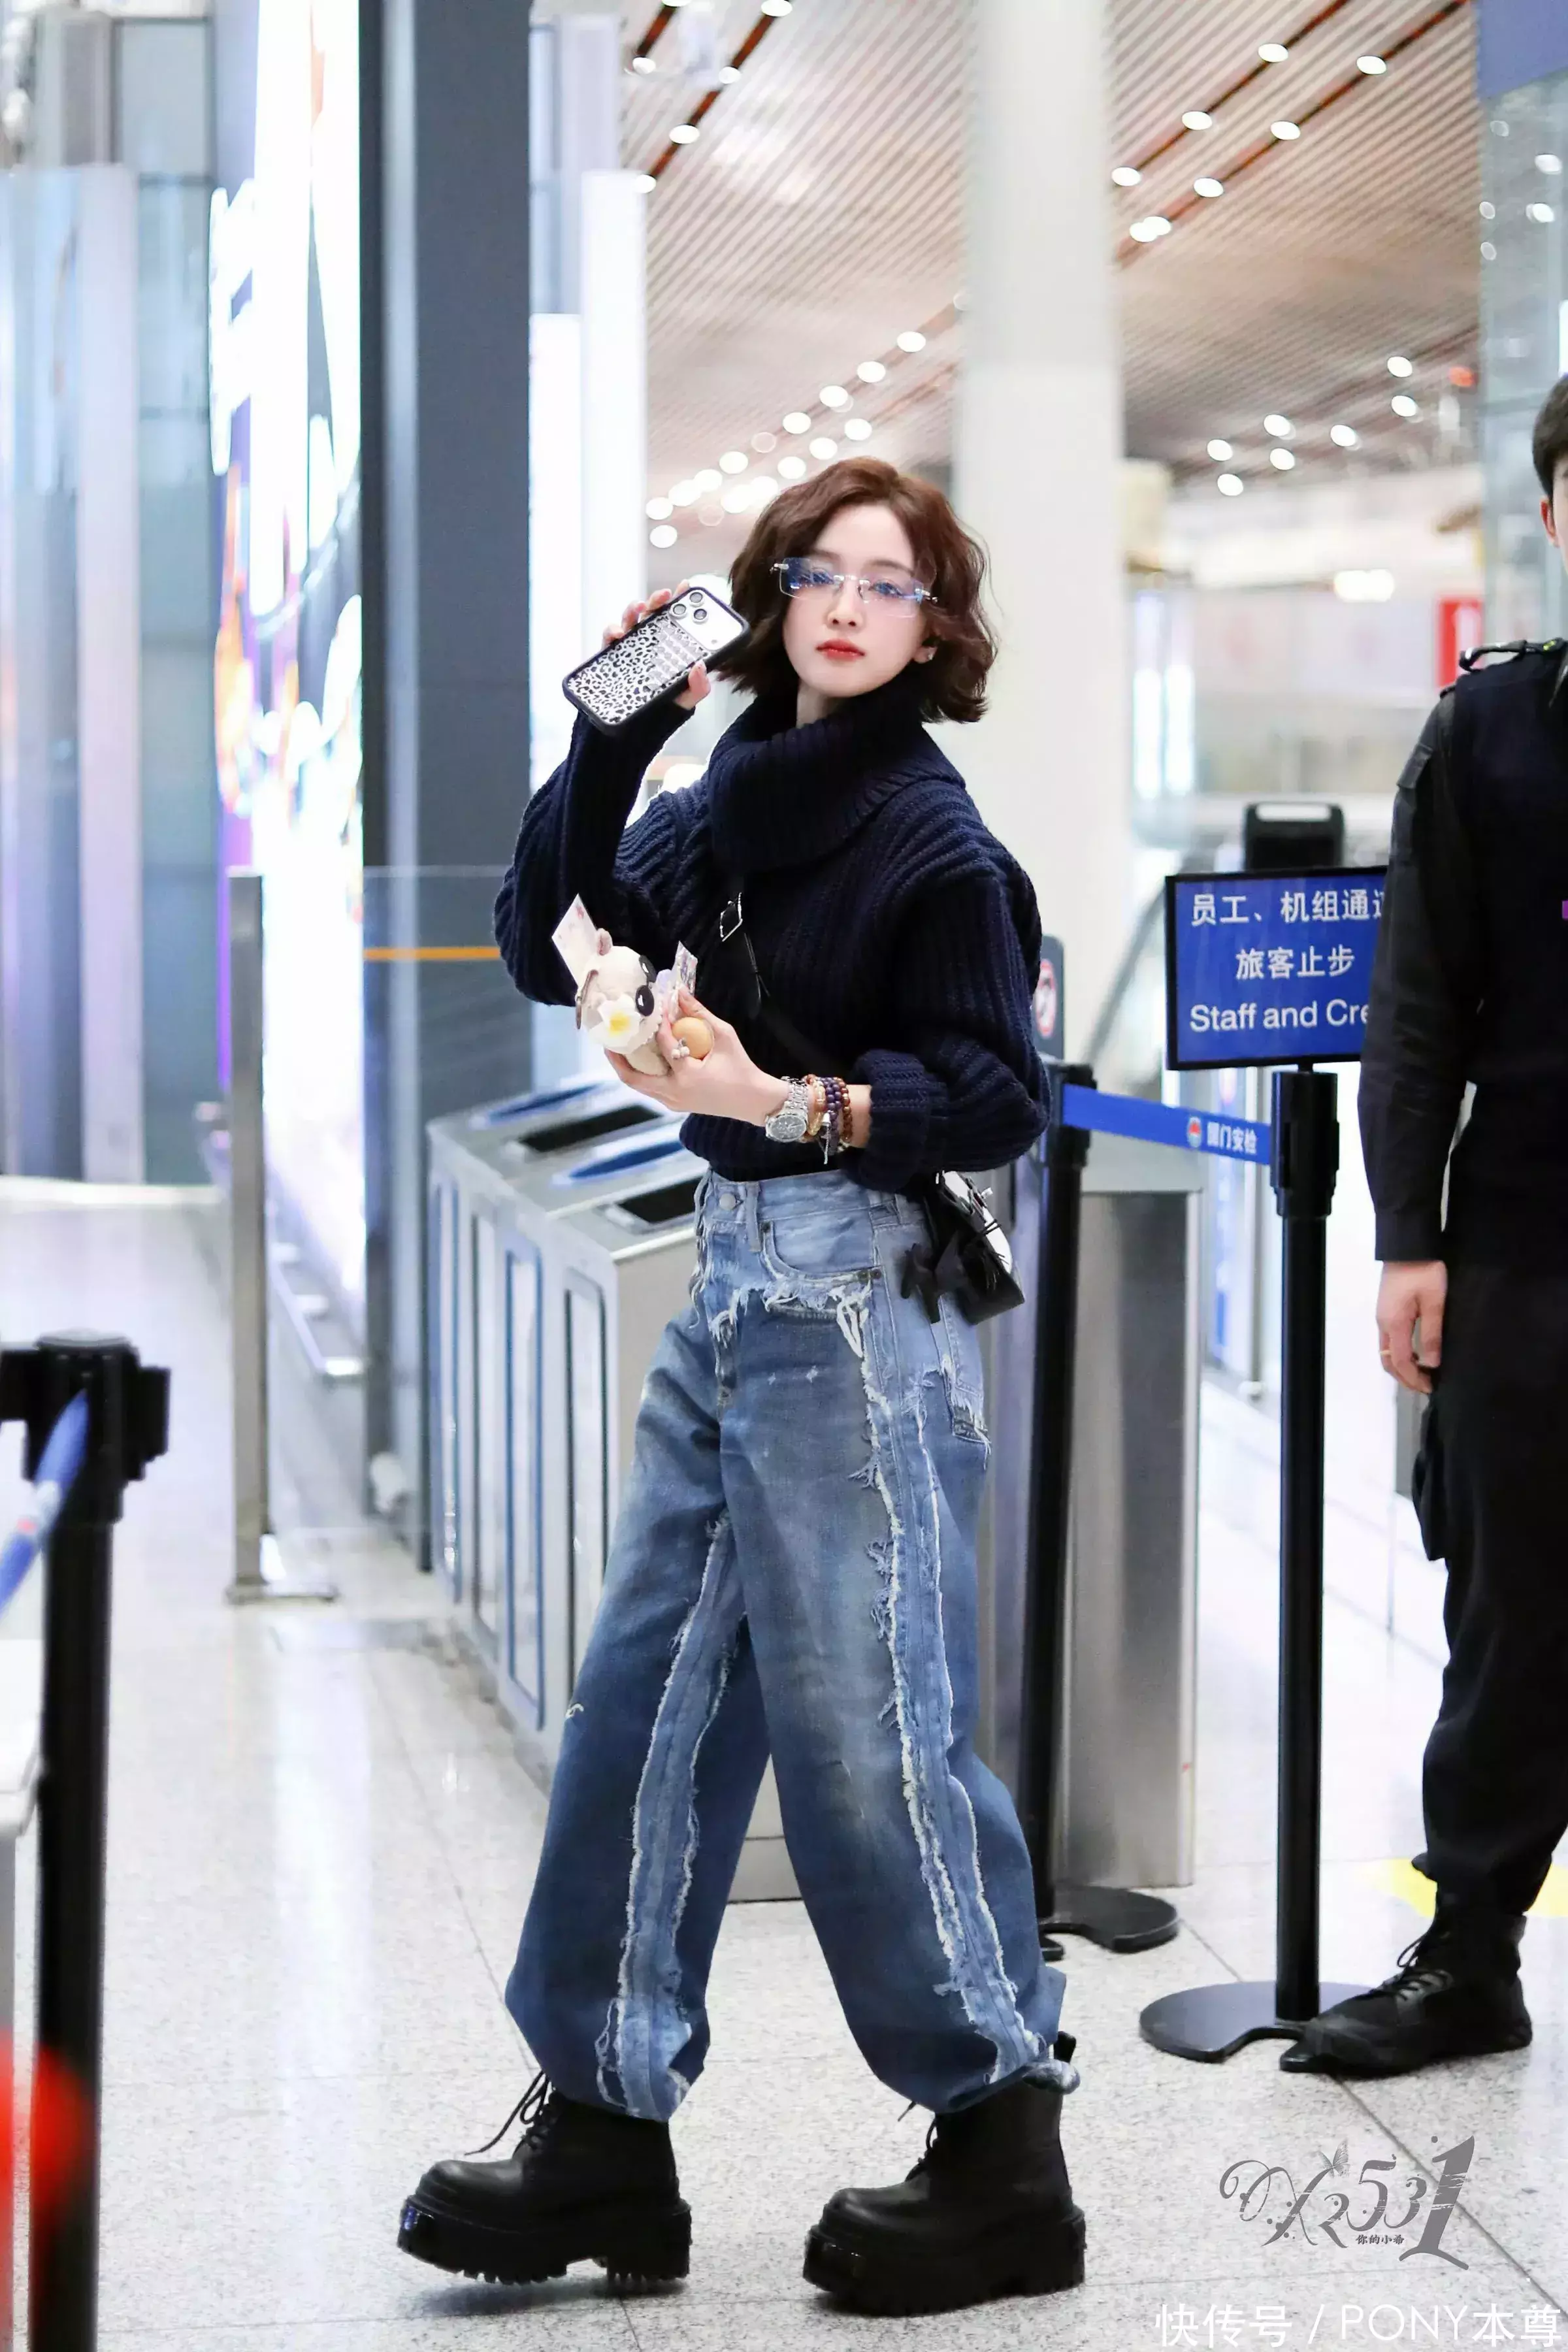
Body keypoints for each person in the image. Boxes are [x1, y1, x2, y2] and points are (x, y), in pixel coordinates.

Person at [397, 459, 1082, 2312]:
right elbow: (544, 939)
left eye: (892, 583)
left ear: (935, 632)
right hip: (733, 1287)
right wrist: (609, 740)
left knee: (867, 1730)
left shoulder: (933, 842)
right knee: (645, 1699)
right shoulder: (729, 794)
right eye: (817, 573)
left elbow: (999, 1093)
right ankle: (603, 2120)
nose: (849, 606)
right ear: (770, 599)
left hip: (855, 1300)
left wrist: (787, 1102)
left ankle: (1001, 2135)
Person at [1282, 377, 1568, 2079]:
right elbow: (1416, 1007)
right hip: (1532, 1245)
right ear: (1550, 516)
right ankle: (1470, 1956)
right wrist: (1408, 1237)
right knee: (1513, 1603)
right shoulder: (1491, 732)